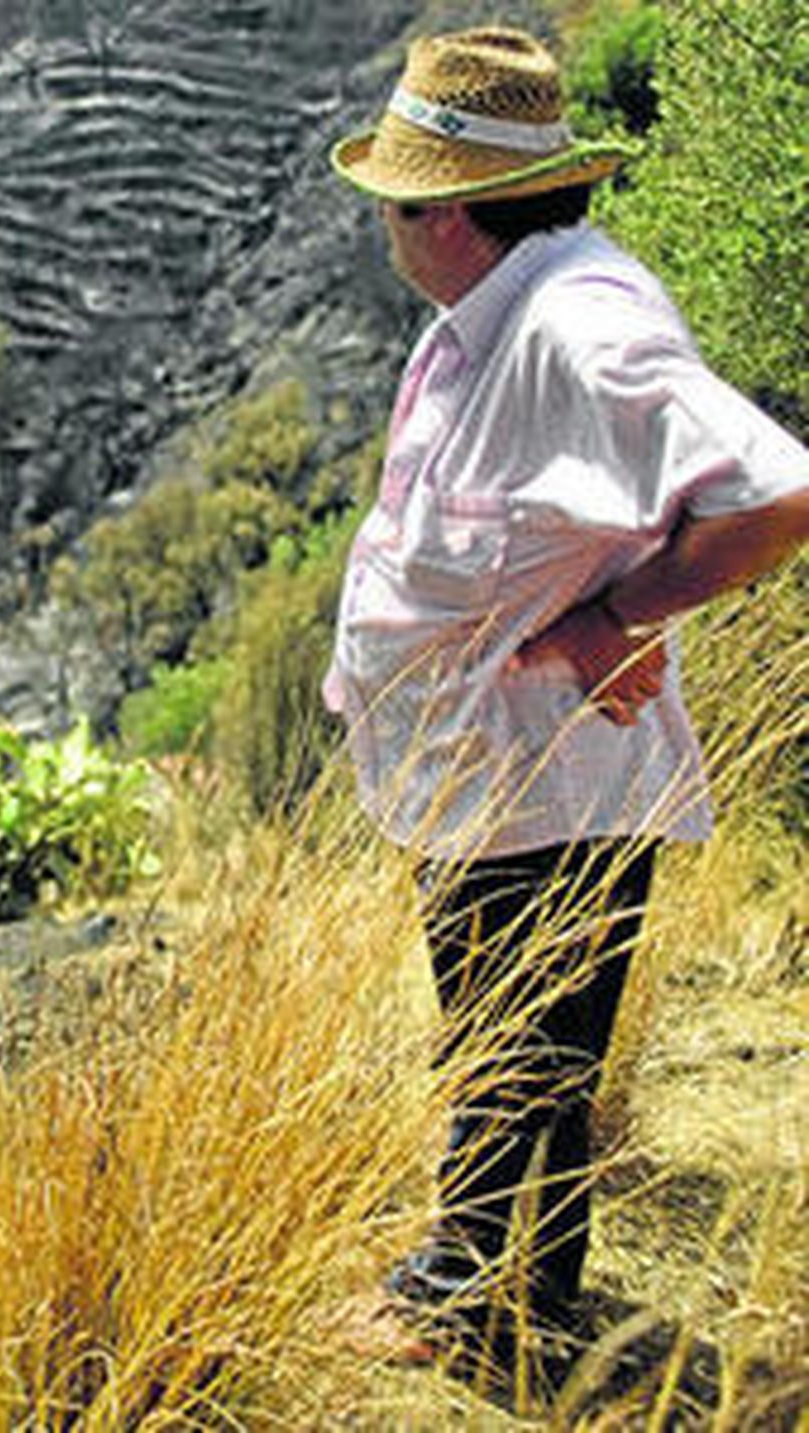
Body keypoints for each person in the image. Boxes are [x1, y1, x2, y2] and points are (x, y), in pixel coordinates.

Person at [322, 26, 809, 1364]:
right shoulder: (495, 317)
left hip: (543, 778)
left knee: (515, 1047)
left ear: (450, 213)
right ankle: (515, 1290)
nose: (386, 228)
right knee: (511, 1042)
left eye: (398, 204)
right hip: (491, 774)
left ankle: (465, 1301)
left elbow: (773, 491)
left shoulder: (577, 323)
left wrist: (617, 614)